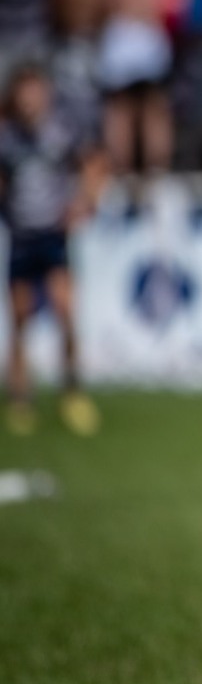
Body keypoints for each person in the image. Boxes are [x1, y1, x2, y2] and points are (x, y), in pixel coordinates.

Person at [2, 61, 102, 437]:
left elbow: (93, 162)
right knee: (20, 319)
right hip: (21, 236)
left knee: (65, 312)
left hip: (53, 235)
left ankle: (73, 391)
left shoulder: (61, 132)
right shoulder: (7, 139)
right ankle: (20, 397)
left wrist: (85, 201)